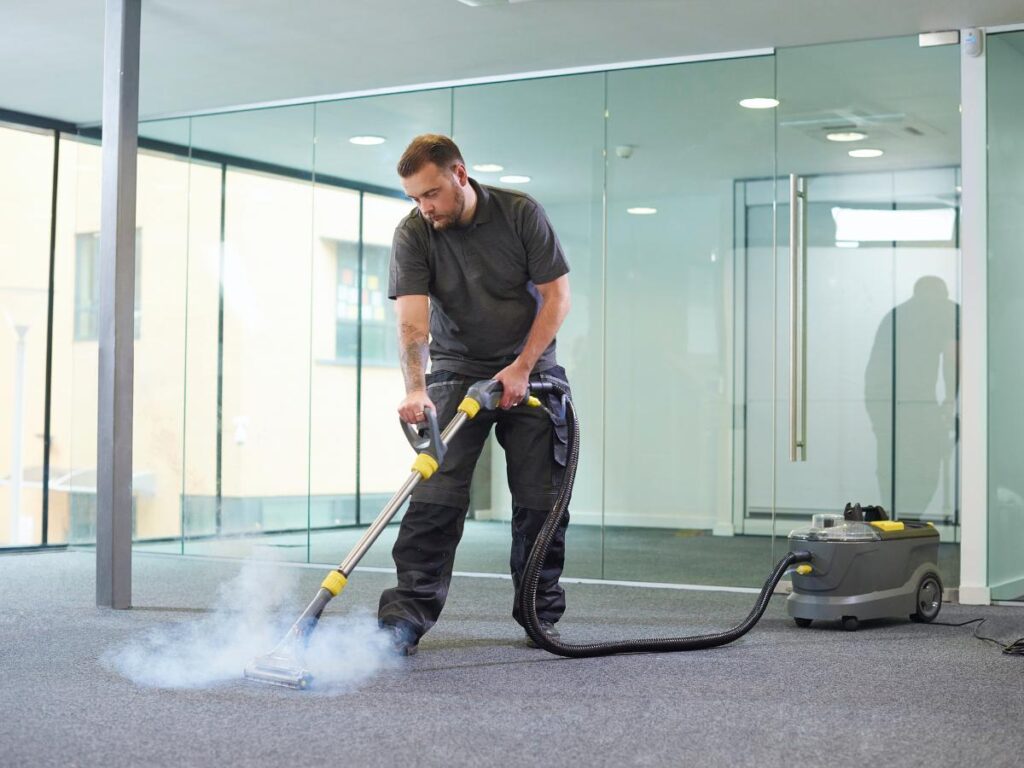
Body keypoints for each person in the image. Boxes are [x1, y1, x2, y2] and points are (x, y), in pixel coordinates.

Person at [377, 134, 572, 655]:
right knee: (434, 498)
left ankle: (538, 612)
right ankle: (405, 618)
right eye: (415, 198)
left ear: (460, 174)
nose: (426, 207)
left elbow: (557, 297)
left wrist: (522, 367)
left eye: (433, 193)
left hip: (531, 371)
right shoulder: (414, 232)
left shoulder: (520, 214)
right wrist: (416, 389)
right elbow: (413, 321)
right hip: (457, 368)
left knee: (541, 502)